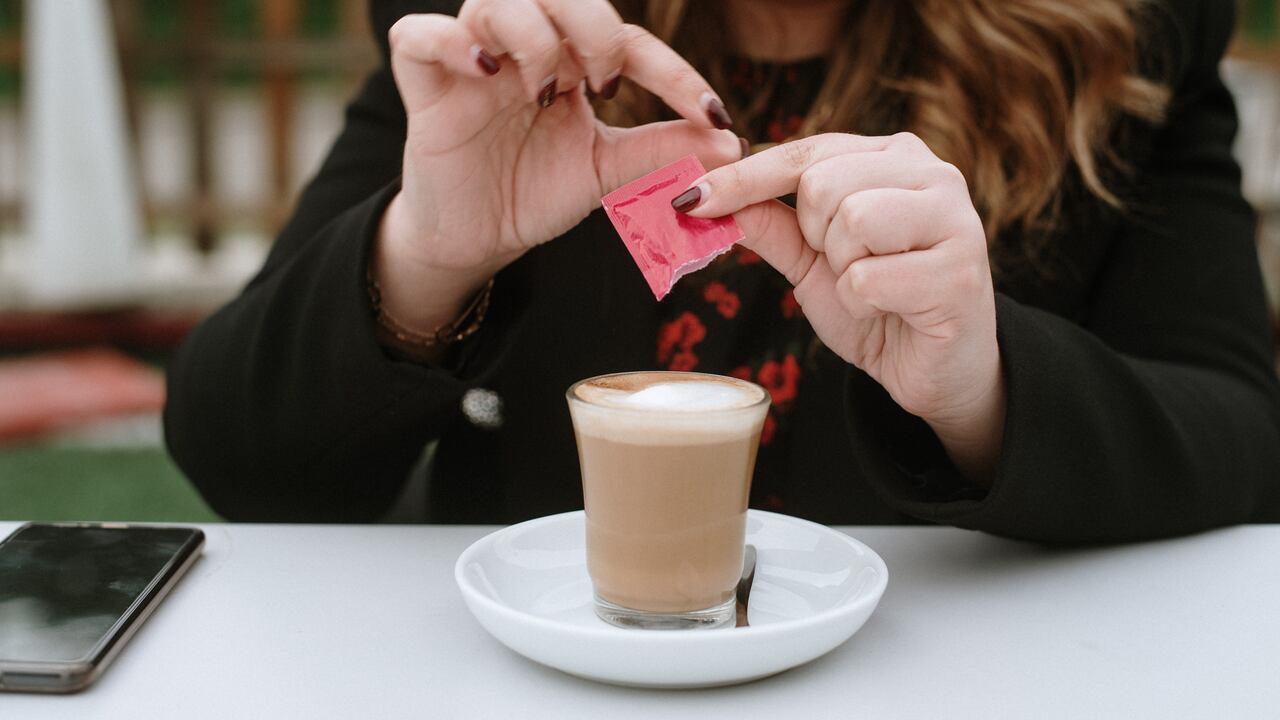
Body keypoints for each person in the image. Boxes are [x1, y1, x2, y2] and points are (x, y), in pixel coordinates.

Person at [163, 0, 1280, 543]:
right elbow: (241, 462)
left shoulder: (1117, 46)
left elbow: (1238, 443)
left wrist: (977, 388)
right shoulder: (508, 42)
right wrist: (427, 257)